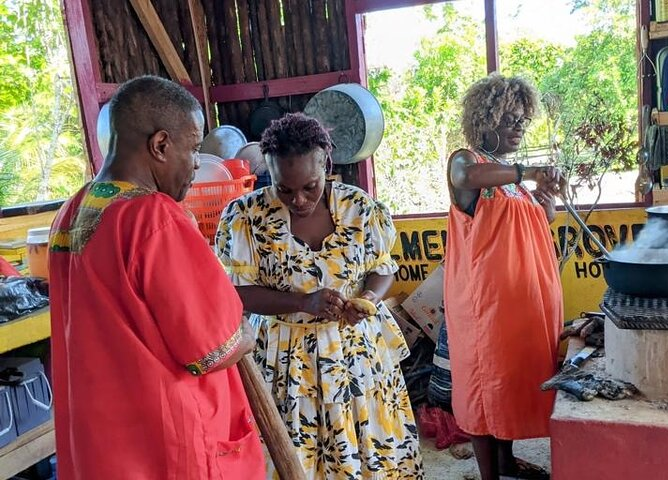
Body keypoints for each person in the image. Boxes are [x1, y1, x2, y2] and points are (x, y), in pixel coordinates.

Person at [48, 75, 265, 479]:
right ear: (160, 145)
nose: (197, 163)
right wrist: (247, 332)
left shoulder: (71, 211)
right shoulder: (153, 217)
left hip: (104, 448)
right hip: (167, 448)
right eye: (194, 148)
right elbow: (214, 348)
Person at [215, 113, 424, 479]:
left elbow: (382, 267)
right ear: (270, 173)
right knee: (297, 455)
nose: (298, 199)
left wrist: (370, 299)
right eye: (284, 188)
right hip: (287, 364)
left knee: (369, 447)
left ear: (326, 164)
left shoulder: (359, 209)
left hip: (358, 357)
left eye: (310, 186)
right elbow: (235, 292)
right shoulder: (245, 217)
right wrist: (302, 303)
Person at [444, 73, 565, 480]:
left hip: (521, 301)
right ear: (485, 120)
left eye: (522, 121)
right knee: (485, 382)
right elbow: (465, 180)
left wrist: (545, 206)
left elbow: (531, 225)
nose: (518, 128)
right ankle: (489, 475)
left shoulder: (511, 180)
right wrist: (527, 171)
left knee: (508, 381)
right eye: (510, 119)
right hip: (486, 304)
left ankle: (508, 462)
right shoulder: (469, 162)